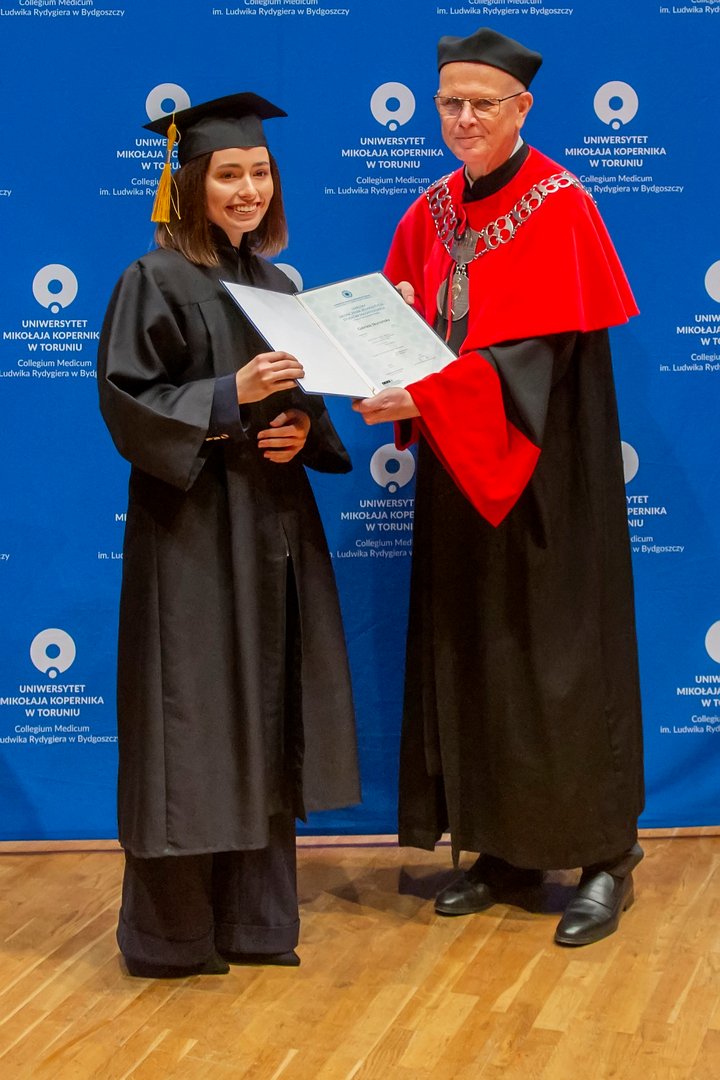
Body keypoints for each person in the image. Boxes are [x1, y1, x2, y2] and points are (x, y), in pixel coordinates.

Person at [353, 28, 644, 946]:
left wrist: (429, 391)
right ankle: (506, 848)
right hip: (459, 474)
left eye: (483, 103)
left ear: (523, 108)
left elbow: (535, 362)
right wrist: (377, 348)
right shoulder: (430, 210)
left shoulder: (561, 205)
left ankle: (606, 855)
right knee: (478, 655)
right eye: (450, 103)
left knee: (561, 660)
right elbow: (402, 323)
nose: (464, 118)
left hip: (550, 479)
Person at [98, 92, 359, 978]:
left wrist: (299, 430)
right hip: (193, 535)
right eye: (228, 175)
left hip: (273, 527)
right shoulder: (154, 278)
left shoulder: (278, 286)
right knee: (194, 720)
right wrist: (226, 399)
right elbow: (128, 401)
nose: (249, 189)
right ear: (189, 185)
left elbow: (305, 401)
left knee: (265, 713)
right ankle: (172, 936)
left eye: (260, 173)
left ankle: (256, 924)